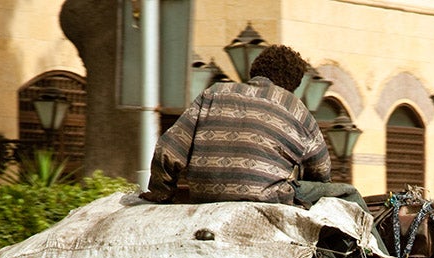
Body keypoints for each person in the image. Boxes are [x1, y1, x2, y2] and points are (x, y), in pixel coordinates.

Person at [140, 44, 331, 205]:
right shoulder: (296, 109)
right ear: (293, 84)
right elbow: (321, 171)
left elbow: (168, 149)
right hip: (267, 200)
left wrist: (162, 194)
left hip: (204, 198)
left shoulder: (213, 93)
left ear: (255, 70)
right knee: (346, 193)